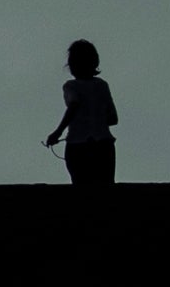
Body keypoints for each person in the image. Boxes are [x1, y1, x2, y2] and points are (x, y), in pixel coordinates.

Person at [46, 39, 119, 185]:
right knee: (105, 184)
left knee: (81, 186)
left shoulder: (71, 86)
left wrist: (58, 132)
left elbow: (74, 105)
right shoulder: (101, 85)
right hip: (104, 145)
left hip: (78, 145)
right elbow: (113, 118)